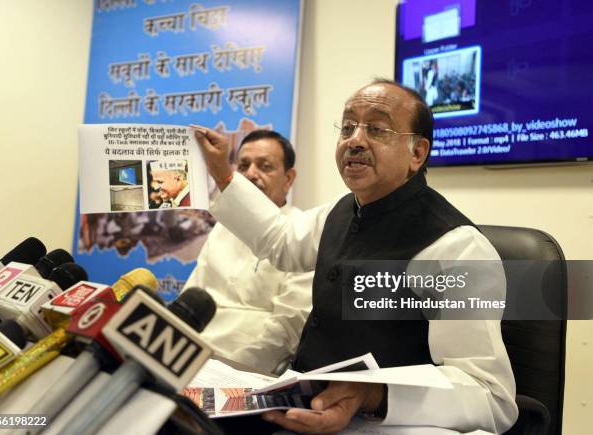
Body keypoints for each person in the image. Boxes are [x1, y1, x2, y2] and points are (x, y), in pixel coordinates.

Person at [192, 79, 518, 434]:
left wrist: (373, 395)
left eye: (377, 129)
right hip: (300, 408)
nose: (355, 140)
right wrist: (223, 174)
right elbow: (280, 241)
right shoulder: (340, 211)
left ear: (417, 153)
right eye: (347, 127)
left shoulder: (457, 250)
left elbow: (490, 396)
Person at [184, 130, 313, 374]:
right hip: (192, 361)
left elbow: (286, 331)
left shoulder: (301, 235)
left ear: (288, 179)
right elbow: (192, 299)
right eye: (243, 166)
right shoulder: (222, 228)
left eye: (265, 166)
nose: (251, 174)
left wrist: (229, 373)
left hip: (245, 372)